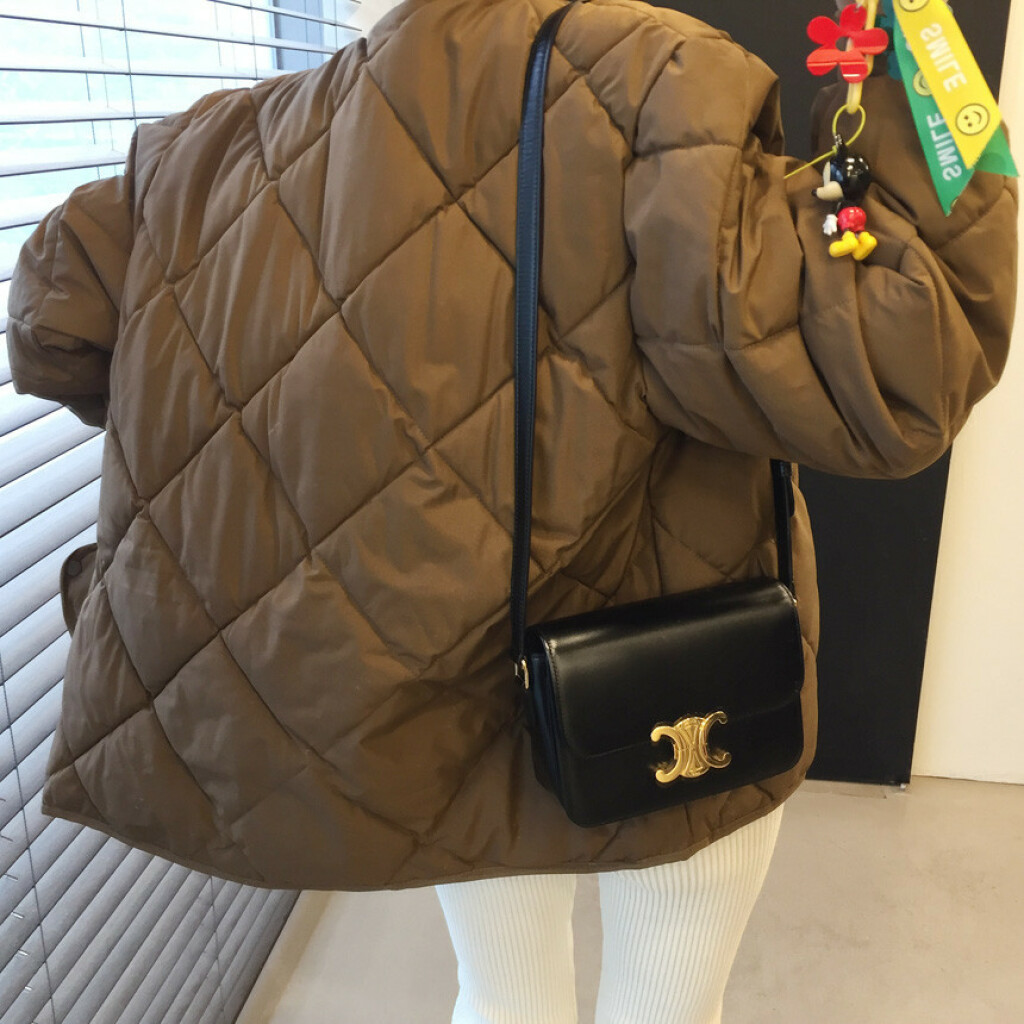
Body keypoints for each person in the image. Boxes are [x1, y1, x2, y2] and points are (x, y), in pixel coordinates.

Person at [7, 0, 1016, 1021]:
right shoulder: (658, 83)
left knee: (501, 993)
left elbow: (51, 323)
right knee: (665, 1005)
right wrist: (924, 66)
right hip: (658, 688)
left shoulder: (208, 148)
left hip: (439, 693)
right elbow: (904, 358)